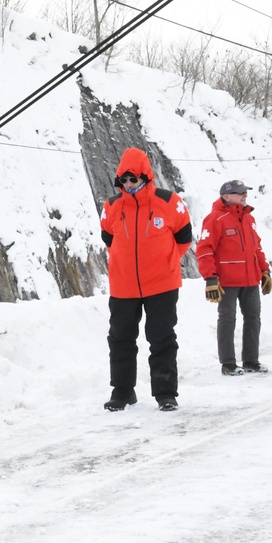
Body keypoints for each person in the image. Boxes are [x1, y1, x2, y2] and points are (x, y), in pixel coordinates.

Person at [99, 148, 193, 412]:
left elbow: (184, 238)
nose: (129, 185)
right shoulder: (112, 206)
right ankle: (123, 391)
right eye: (124, 180)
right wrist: (124, 262)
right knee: (120, 339)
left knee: (162, 337)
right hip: (123, 286)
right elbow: (108, 239)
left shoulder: (169, 201)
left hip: (162, 284)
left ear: (145, 177)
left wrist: (165, 261)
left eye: (133, 179)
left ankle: (165, 393)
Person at [196, 179, 272, 375]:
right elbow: (204, 250)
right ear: (226, 197)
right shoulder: (214, 219)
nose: (244, 195)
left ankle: (251, 361)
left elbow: (257, 248)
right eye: (240, 193)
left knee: (253, 318)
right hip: (227, 281)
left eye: (245, 192)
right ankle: (228, 364)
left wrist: (264, 270)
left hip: (250, 280)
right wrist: (210, 278)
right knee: (227, 319)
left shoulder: (249, 219)